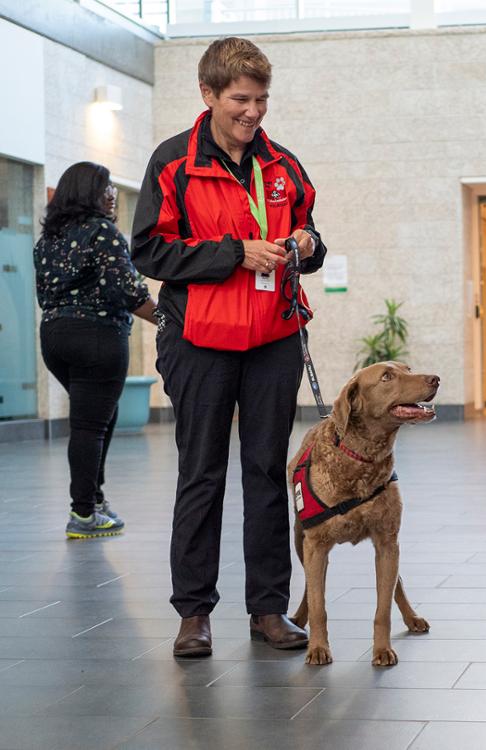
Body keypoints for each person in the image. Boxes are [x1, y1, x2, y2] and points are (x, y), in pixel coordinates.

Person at [132, 37, 326, 658]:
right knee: (202, 474)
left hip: (273, 339)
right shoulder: (174, 164)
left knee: (268, 472)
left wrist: (304, 244)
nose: (253, 112)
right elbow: (149, 251)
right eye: (241, 99)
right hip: (198, 341)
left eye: (262, 99)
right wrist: (231, 254)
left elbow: (314, 235)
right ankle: (194, 614)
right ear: (208, 94)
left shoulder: (284, 165)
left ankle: (268, 609)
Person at [34, 162, 157, 540]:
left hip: (55, 336)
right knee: (89, 424)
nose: (112, 196)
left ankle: (95, 499)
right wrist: (171, 321)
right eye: (107, 188)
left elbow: (44, 294)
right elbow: (126, 291)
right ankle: (83, 513)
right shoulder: (103, 232)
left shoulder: (48, 238)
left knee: (101, 414)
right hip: (97, 336)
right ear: (91, 192)